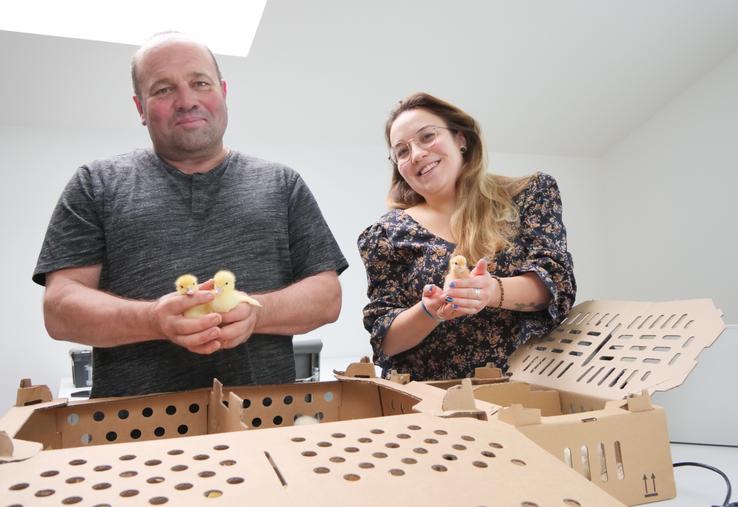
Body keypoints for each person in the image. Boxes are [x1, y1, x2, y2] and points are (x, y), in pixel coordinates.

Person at [32, 32, 348, 398]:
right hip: (134, 433)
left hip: (262, 424)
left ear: (223, 92)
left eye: (200, 83)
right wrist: (154, 320)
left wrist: (255, 313)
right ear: (140, 108)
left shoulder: (282, 184)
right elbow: (59, 309)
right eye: (164, 90)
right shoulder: (95, 184)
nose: (187, 101)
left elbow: (327, 296)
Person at [358, 92, 575, 380]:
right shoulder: (385, 234)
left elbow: (555, 286)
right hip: (429, 405)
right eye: (402, 151)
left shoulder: (528, 195)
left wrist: (489, 291)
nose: (418, 154)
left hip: (523, 395)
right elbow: (385, 341)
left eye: (426, 136)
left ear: (460, 138)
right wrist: (429, 311)